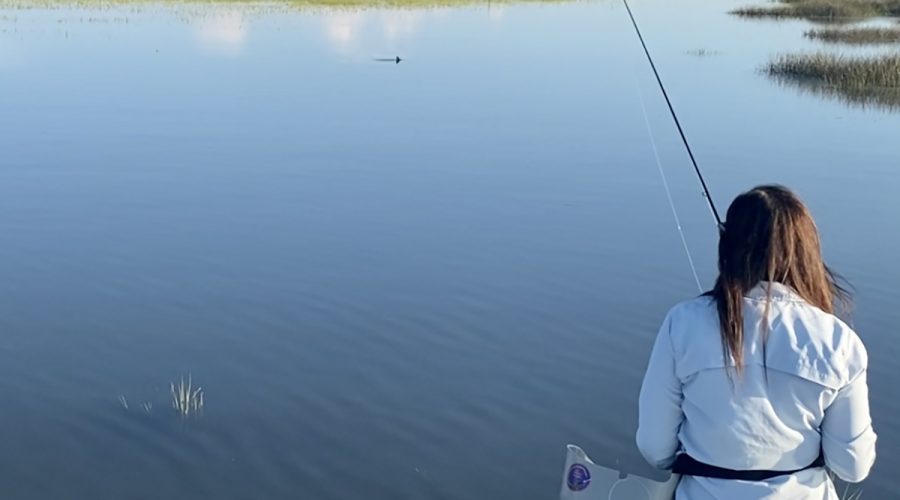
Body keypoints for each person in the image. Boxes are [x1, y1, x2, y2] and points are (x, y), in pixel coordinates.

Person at [636, 185, 877, 499]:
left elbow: (655, 448)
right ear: (807, 253)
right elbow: (853, 466)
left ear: (729, 247)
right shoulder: (839, 342)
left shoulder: (682, 324)